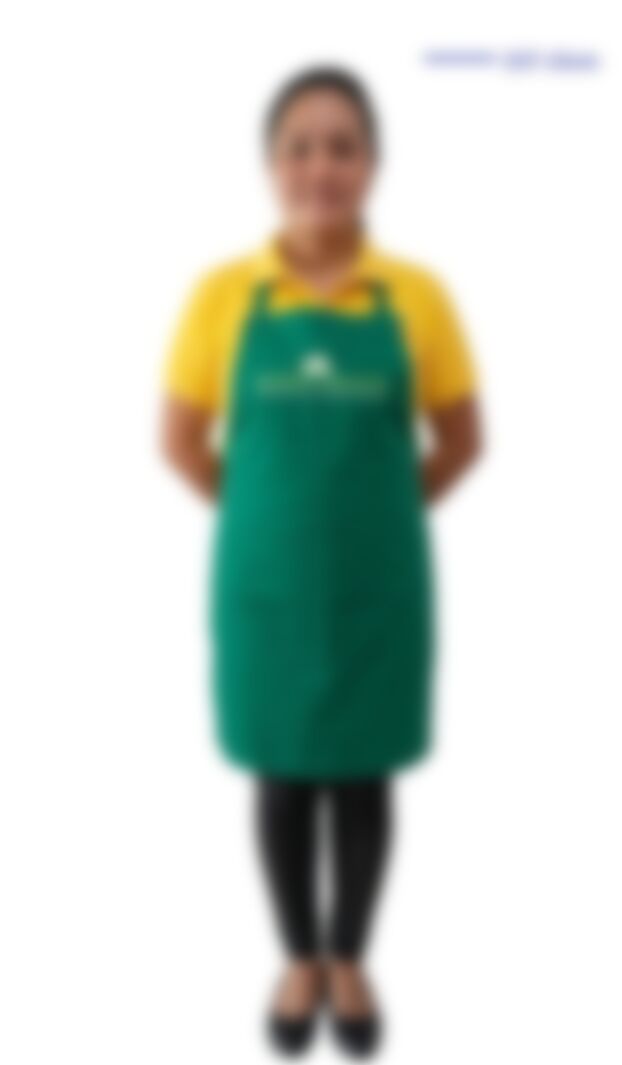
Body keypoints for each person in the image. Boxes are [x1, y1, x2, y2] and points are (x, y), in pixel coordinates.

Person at [161, 66, 482, 1057]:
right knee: (284, 777)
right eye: (300, 146)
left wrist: (381, 518)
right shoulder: (223, 296)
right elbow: (180, 439)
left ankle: (351, 954)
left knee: (366, 776)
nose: (321, 166)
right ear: (271, 165)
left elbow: (461, 437)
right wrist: (266, 520)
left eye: (343, 146)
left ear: (372, 164)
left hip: (380, 592)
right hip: (265, 592)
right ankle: (299, 955)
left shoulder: (418, 297)